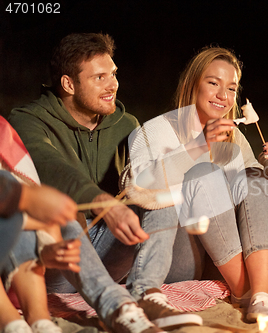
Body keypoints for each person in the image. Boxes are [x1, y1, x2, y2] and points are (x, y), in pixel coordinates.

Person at [9, 33, 202, 332]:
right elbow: (53, 169)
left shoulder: (127, 125)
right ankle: (116, 304)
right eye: (100, 77)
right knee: (56, 209)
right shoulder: (27, 121)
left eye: (113, 74)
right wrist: (104, 203)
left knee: (156, 191)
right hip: (60, 256)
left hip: (112, 249)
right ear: (68, 84)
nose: (113, 85)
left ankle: (146, 292)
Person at [123, 46, 268, 320]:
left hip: (223, 263)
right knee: (203, 173)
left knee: (254, 175)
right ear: (193, 83)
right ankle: (244, 290)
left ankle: (261, 295)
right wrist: (197, 146)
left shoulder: (233, 137)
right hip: (181, 260)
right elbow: (137, 189)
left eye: (231, 88)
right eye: (213, 83)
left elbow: (261, 212)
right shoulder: (154, 130)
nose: (222, 96)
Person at [0, 115, 81, 333]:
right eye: (100, 77)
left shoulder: (2, 131)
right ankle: (11, 324)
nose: (111, 84)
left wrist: (46, 250)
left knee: (67, 226)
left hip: (9, 257)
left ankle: (40, 321)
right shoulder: (33, 119)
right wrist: (26, 198)